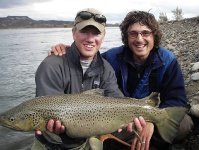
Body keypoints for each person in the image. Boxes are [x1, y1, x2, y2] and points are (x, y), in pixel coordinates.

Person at [49, 10, 194, 150]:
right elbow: (86, 63)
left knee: (184, 125)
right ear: (126, 37)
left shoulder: (167, 60)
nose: (139, 39)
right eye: (133, 34)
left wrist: (151, 123)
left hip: (151, 112)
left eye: (145, 33)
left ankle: (140, 140)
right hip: (119, 118)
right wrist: (66, 53)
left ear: (154, 36)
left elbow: (177, 99)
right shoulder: (111, 58)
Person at [32, 8, 138, 150]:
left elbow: (117, 101)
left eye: (96, 33)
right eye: (84, 32)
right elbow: (47, 110)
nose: (90, 39)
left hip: (89, 142)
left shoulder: (106, 69)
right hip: (51, 145)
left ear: (103, 36)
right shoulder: (51, 65)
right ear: (73, 33)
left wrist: (135, 117)